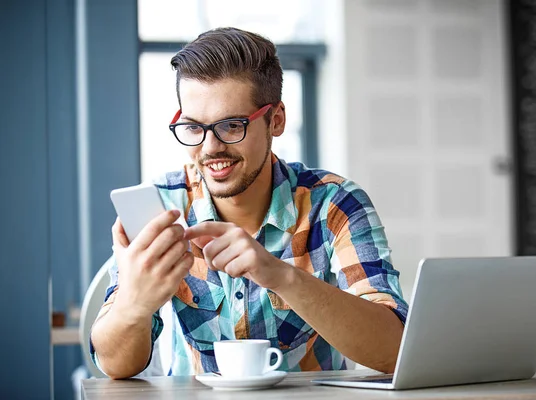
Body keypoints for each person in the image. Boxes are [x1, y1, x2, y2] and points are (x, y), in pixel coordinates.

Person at [90, 27, 408, 379]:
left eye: (231, 125)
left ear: (276, 120)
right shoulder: (161, 208)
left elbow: (396, 351)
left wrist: (281, 276)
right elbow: (115, 367)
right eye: (194, 127)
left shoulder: (334, 205)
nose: (210, 148)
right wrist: (134, 303)